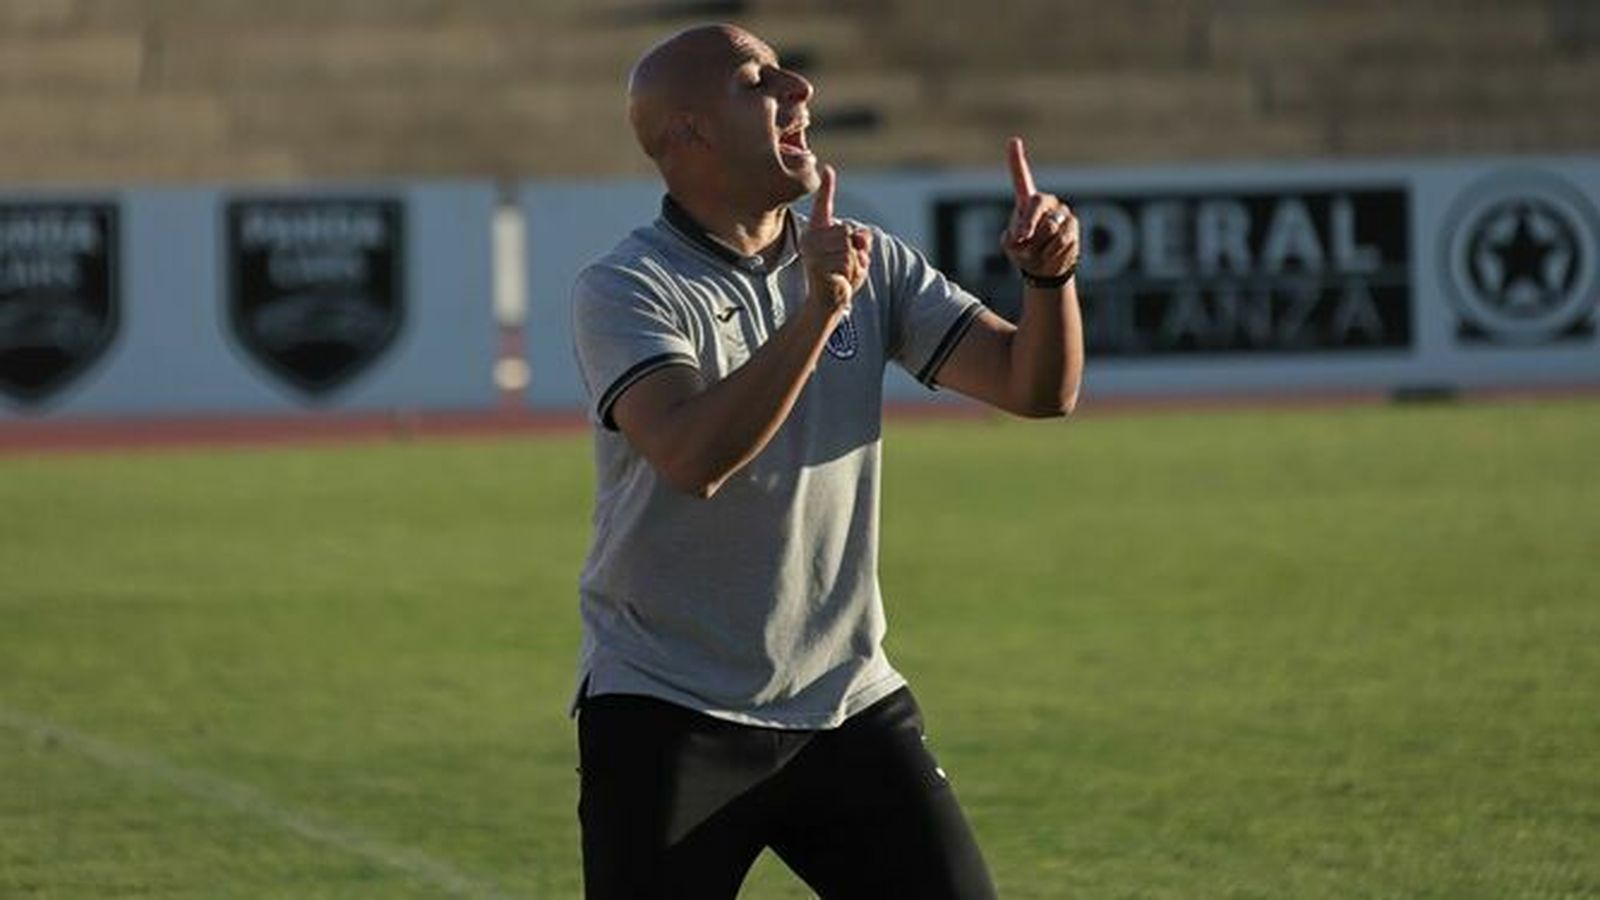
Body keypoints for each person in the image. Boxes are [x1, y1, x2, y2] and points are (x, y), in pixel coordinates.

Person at [568, 23, 1082, 899]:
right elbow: (695, 456)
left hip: (847, 702)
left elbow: (1033, 389)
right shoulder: (626, 287)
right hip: (666, 711)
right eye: (757, 80)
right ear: (687, 132)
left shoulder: (868, 261)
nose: (797, 90)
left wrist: (1049, 280)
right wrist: (815, 315)